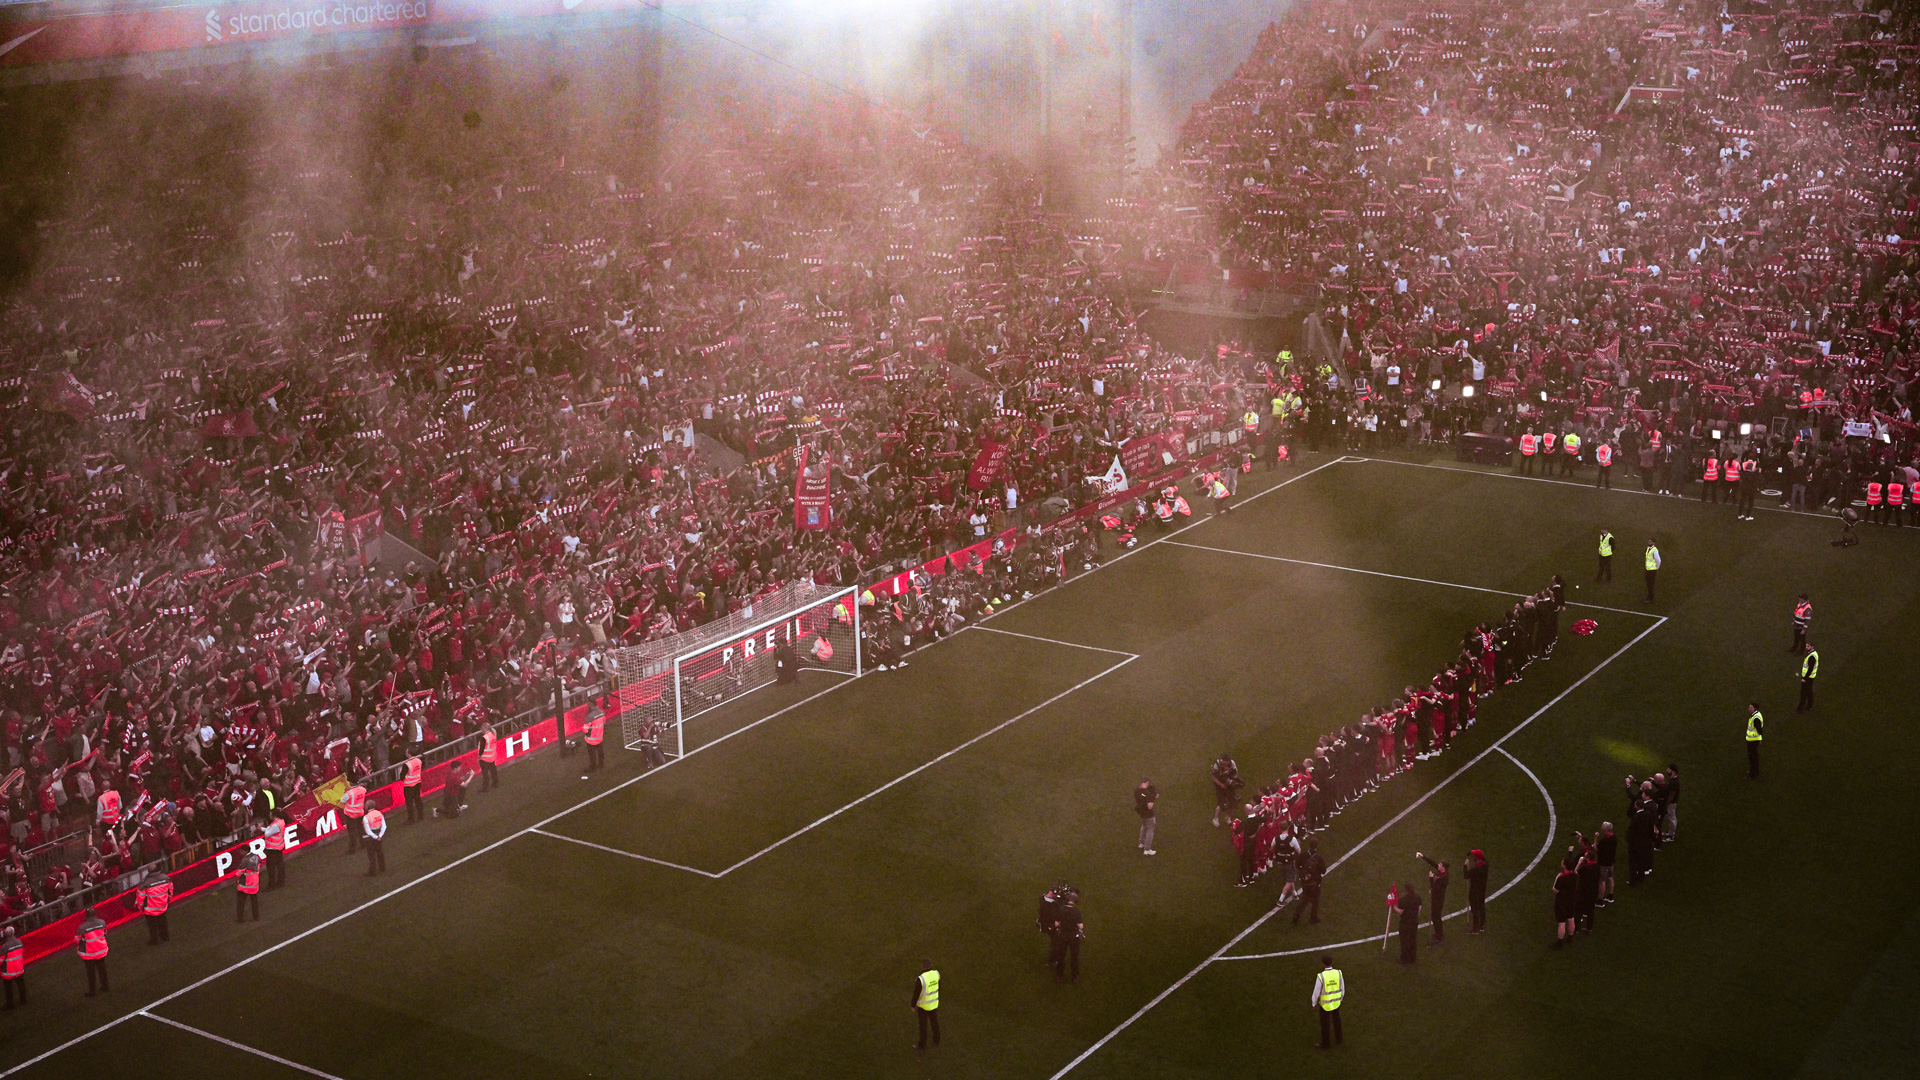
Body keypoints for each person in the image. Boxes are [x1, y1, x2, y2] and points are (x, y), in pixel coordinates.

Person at [1311, 955, 1345, 1049]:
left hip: (1325, 1005)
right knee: (1337, 1021)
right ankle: (1339, 1039)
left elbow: (1316, 991)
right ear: (1332, 962)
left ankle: (1326, 1044)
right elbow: (1343, 988)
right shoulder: (1338, 973)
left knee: (1325, 1024)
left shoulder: (1321, 976)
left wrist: (1314, 1003)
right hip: (1336, 1003)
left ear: (1323, 964)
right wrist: (1340, 998)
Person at [1049, 888, 1083, 982]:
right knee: (1074, 957)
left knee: (1061, 956)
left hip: (1063, 935)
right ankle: (1075, 976)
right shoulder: (1077, 911)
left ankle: (1059, 976)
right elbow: (1080, 926)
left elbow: (1056, 923)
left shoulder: (1062, 909)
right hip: (1074, 937)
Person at [1416, 852, 1449, 944]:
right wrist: (1423, 857)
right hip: (1436, 898)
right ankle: (1439, 933)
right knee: (1435, 916)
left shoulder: (1444, 878)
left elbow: (1435, 889)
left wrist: (1431, 878)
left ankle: (1439, 936)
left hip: (1438, 900)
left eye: (1440, 865)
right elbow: (1433, 863)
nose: (1438, 865)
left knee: (1436, 917)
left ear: (1443, 868)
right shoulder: (1442, 873)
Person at [76, 906, 108, 996]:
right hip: (101, 950)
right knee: (102, 969)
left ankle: (92, 991)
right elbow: (105, 934)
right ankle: (105, 987)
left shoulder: (82, 927)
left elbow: (77, 940)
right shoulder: (102, 922)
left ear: (86, 916)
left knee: (91, 972)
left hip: (89, 954)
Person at [1292, 839, 1325, 924]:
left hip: (1305, 882)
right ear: (1317, 847)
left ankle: (1296, 917)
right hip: (1315, 882)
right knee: (1315, 901)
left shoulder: (1303, 855)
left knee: (1304, 899)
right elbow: (1323, 871)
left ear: (1309, 846)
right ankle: (1313, 918)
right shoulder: (1319, 858)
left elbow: (1298, 865)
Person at [912, 959, 941, 1053]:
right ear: (931, 965)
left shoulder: (921, 978)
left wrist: (913, 1005)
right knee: (934, 1022)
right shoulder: (936, 974)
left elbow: (916, 993)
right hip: (933, 1003)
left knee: (923, 1026)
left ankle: (922, 1044)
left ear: (923, 966)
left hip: (923, 1005)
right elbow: (939, 986)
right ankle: (936, 1040)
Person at [137, 870, 172, 944]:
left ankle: (154, 939)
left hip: (150, 909)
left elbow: (140, 897)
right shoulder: (165, 878)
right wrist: (168, 899)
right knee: (163, 921)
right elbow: (170, 890)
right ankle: (165, 936)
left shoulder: (145, 883)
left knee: (152, 925)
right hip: (162, 906)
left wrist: (140, 907)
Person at [1552, 857, 1578, 948]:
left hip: (1561, 902)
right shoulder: (1574, 876)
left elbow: (1555, 890)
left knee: (1562, 922)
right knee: (1571, 919)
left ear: (1565, 866)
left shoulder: (1561, 878)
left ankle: (1559, 943)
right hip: (1571, 901)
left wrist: (1556, 878)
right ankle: (1570, 938)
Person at [1210, 755, 1243, 827]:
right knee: (1222, 804)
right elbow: (1214, 778)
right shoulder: (1217, 765)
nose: (1227, 763)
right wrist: (1221, 785)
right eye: (1226, 761)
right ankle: (1215, 819)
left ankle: (1228, 817)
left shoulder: (1232, 763)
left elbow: (1235, 774)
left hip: (1229, 785)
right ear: (1222, 760)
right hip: (1220, 786)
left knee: (1232, 801)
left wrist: (1231, 781)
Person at [1575, 845, 1600, 934]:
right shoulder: (1597, 867)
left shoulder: (1585, 868)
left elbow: (1576, 872)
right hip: (1593, 892)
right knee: (1590, 911)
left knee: (1578, 910)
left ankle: (1576, 929)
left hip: (1582, 892)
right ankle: (1589, 929)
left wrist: (1580, 862)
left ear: (1587, 858)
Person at [1395, 882, 1421, 964]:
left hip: (1405, 924)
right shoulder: (1417, 897)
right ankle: (1413, 958)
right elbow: (1419, 908)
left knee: (1404, 941)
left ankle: (1405, 959)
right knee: (1413, 940)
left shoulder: (1403, 900)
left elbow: (1400, 912)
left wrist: (1393, 906)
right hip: (1414, 922)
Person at [1464, 849, 1489, 933]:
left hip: (1474, 891)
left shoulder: (1475, 869)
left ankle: (1475, 929)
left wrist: (1465, 866)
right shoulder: (1486, 865)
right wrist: (1470, 853)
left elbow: (1466, 876)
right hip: (1482, 889)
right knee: (1481, 907)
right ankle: (1481, 925)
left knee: (1475, 909)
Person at [341, 777, 367, 855]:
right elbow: (365, 791)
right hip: (360, 813)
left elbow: (342, 800)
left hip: (350, 815)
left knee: (352, 833)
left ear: (350, 783)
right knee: (361, 829)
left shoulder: (349, 793)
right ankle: (364, 844)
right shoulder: (362, 789)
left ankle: (352, 849)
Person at [262, 812, 288, 888]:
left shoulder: (276, 824)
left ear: (274, 815)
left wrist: (264, 830)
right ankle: (281, 881)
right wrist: (261, 828)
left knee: (271, 868)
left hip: (272, 849)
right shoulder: (281, 821)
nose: (269, 815)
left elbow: (267, 834)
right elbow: (271, 830)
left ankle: (272, 884)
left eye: (270, 814)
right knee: (280, 865)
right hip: (279, 847)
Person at [235, 852, 261, 922]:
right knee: (254, 901)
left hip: (245, 885)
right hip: (254, 883)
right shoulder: (256, 857)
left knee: (241, 902)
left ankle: (240, 918)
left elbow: (239, 873)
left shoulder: (244, 860)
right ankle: (256, 917)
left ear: (244, 851)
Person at [1134, 779, 1158, 856]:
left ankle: (1141, 843)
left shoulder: (1137, 791)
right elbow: (1149, 806)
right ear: (1147, 783)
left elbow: (1142, 797)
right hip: (1149, 815)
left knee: (1144, 827)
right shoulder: (1148, 794)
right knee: (1150, 831)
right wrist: (1152, 798)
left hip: (1141, 813)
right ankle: (1147, 849)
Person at [1, 925, 22, 1009]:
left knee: (8, 989)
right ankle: (23, 1000)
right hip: (19, 967)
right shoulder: (19, 942)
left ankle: (10, 1004)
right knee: (21, 985)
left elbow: (1, 960)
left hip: (8, 971)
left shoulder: (5, 946)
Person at [1596, 822, 1618, 905]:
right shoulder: (1614, 837)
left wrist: (1595, 838)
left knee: (1602, 881)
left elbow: (1596, 849)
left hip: (1603, 863)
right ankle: (1610, 895)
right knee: (1610, 877)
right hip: (1611, 861)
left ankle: (1600, 900)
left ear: (1605, 829)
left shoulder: (1604, 841)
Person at [363, 805, 388, 874]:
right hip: (378, 835)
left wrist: (375, 837)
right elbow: (384, 826)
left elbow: (368, 831)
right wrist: (380, 836)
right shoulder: (379, 813)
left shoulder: (366, 817)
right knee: (380, 853)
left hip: (370, 838)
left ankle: (372, 871)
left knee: (371, 855)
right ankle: (382, 867)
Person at [583, 705, 607, 775]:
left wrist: (588, 733)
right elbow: (604, 722)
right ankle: (601, 764)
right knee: (600, 751)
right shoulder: (602, 712)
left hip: (591, 739)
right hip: (599, 737)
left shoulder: (589, 717)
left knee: (592, 754)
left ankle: (593, 767)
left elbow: (585, 729)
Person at [402, 754, 425, 823]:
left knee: (409, 803)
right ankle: (420, 815)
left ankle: (411, 819)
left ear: (409, 754)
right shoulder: (419, 761)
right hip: (417, 782)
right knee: (418, 799)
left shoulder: (407, 764)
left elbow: (401, 776)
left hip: (408, 785)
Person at [1661, 766, 1681, 844]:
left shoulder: (1674, 782)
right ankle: (1670, 833)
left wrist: (1666, 804)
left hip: (1671, 803)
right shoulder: (1673, 780)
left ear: (1673, 771)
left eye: (1668, 769)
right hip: (1671, 802)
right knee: (1671, 817)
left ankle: (1671, 836)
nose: (1667, 770)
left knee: (1671, 818)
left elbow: (1671, 795)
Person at [479, 723, 501, 792]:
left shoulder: (484, 738)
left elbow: (481, 750)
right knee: (493, 771)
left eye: (482, 729)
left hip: (484, 758)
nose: (481, 730)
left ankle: (485, 788)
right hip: (492, 756)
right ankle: (495, 783)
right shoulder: (493, 734)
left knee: (485, 774)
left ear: (484, 729)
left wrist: (479, 757)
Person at [1797, 643, 1819, 712]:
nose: (1806, 647)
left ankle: (1800, 709)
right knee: (1809, 692)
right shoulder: (1814, 654)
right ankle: (1809, 706)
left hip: (1808, 678)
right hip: (1811, 677)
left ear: (1812, 646)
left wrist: (1804, 678)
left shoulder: (1812, 656)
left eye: (1808, 646)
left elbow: (1810, 668)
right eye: (1806, 646)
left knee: (1803, 693)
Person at [1745, 702, 1765, 779]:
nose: (1749, 709)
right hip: (1753, 740)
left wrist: (1758, 738)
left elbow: (1760, 730)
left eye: (1750, 707)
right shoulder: (1756, 715)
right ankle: (1753, 772)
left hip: (1753, 741)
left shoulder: (1756, 718)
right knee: (1753, 757)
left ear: (1755, 709)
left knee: (1753, 757)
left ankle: (1753, 774)